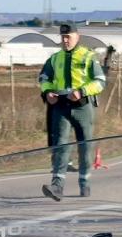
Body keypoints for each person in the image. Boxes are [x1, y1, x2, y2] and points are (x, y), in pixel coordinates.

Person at [38, 23, 106, 201]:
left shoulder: (89, 57)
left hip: (82, 106)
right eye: (63, 37)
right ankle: (57, 186)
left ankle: (84, 183)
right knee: (61, 144)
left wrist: (82, 92)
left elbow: (100, 81)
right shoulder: (55, 58)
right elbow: (44, 78)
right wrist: (47, 92)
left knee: (85, 146)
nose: (65, 40)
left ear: (78, 36)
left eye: (68, 37)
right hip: (61, 106)